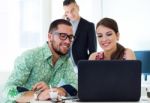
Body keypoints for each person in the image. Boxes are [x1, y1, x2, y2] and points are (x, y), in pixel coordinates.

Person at [2, 19, 77, 102]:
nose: (67, 41)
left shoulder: (65, 61)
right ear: (50, 36)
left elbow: (75, 85)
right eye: (63, 36)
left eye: (70, 37)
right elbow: (7, 90)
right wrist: (38, 95)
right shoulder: (30, 56)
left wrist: (58, 90)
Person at [63, 0, 97, 65]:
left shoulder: (89, 26)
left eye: (72, 10)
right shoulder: (64, 26)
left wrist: (88, 67)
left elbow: (93, 52)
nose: (70, 14)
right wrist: (62, 20)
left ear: (78, 8)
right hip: (65, 66)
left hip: (80, 66)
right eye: (67, 12)